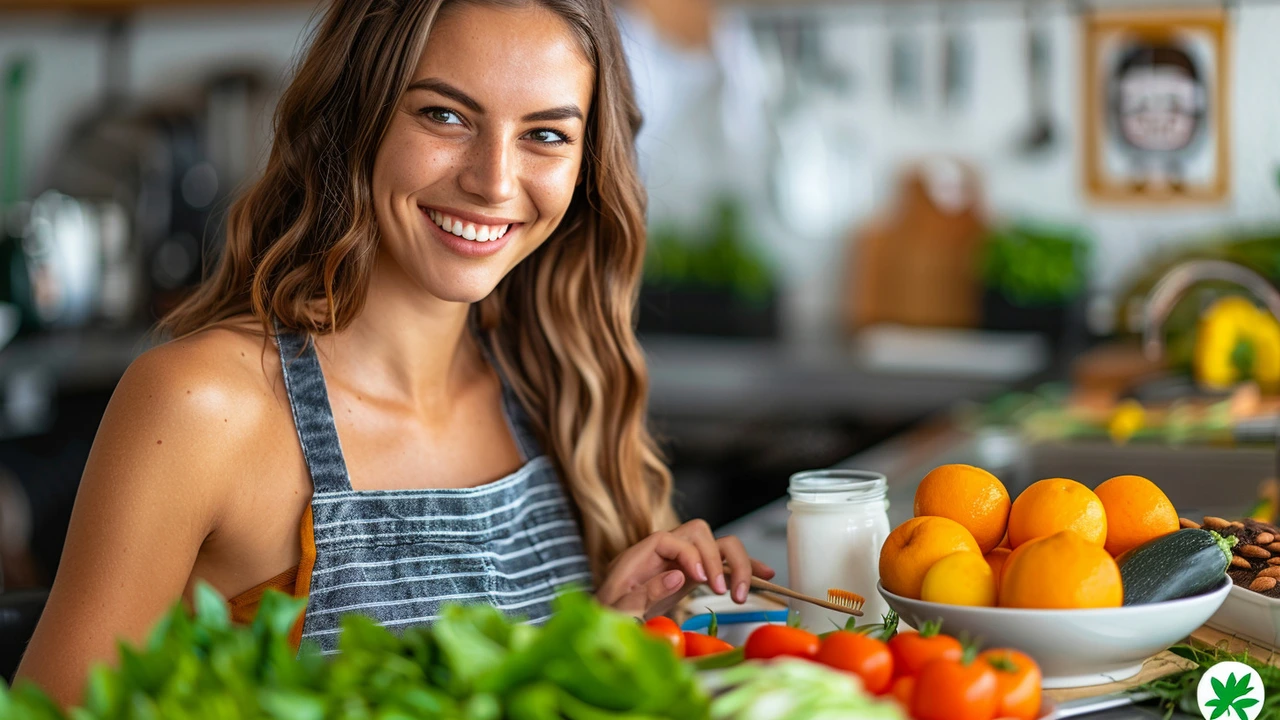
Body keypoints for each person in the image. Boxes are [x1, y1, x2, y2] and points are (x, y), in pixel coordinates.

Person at [15, 0, 772, 706]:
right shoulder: (201, 406)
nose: (493, 181)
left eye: (545, 134)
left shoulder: (552, 381)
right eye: (445, 116)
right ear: (357, 117)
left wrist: (600, 639)